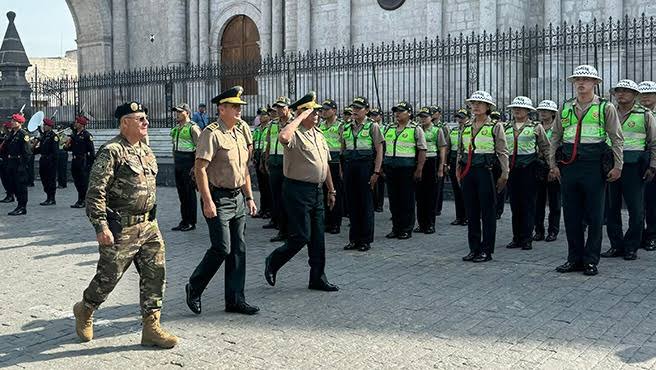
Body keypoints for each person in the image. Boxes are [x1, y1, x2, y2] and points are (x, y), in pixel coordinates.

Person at [73, 101, 178, 348]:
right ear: (125, 123)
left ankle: (151, 327)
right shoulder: (112, 151)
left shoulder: (145, 149)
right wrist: (101, 226)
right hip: (122, 228)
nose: (146, 123)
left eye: (145, 118)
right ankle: (85, 309)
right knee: (108, 278)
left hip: (149, 225)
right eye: (140, 119)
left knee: (155, 275)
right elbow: (95, 192)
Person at [185, 86, 260, 316]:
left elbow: (244, 169)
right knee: (222, 248)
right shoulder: (212, 133)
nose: (239, 110)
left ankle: (236, 299)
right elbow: (200, 169)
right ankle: (194, 287)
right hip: (218, 198)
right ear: (222, 109)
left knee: (239, 249)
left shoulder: (239, 132)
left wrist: (249, 196)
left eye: (239, 107)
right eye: (234, 107)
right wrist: (207, 201)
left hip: (237, 197)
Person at [549, 65, 623, 276]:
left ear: (595, 83)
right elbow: (555, 138)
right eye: (578, 79)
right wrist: (553, 164)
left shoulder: (605, 107)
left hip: (594, 166)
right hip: (569, 166)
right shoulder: (565, 107)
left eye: (586, 79)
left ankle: (591, 260)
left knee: (595, 215)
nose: (581, 83)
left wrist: (618, 166)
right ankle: (574, 259)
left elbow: (617, 138)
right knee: (571, 215)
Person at [264, 91, 339, 292]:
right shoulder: (294, 134)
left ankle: (317, 278)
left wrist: (331, 190)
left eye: (317, 111)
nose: (316, 114)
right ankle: (273, 260)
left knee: (317, 238)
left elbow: (325, 165)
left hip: (317, 191)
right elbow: (283, 136)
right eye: (311, 112)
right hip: (297, 190)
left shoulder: (319, 135)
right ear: (301, 114)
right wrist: (299, 117)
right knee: (301, 236)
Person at [601, 79, 656, 260]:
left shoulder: (645, 115)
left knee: (636, 209)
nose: (621, 94)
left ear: (634, 95)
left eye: (626, 91)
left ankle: (631, 246)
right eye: (618, 91)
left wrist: (652, 166)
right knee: (611, 208)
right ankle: (616, 246)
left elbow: (654, 143)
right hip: (612, 165)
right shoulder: (608, 112)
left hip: (634, 167)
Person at [457, 91, 509, 263]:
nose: (476, 106)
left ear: (488, 106)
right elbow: (460, 150)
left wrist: (504, 173)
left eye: (480, 103)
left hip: (486, 172)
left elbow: (502, 151)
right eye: (473, 103)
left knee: (487, 213)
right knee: (471, 212)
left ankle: (486, 250)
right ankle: (474, 248)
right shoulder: (465, 126)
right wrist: (458, 169)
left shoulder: (495, 126)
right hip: (468, 171)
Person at [504, 96, 550, 251]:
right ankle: (516, 237)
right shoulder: (505, 127)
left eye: (521, 108)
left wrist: (551, 167)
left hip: (529, 169)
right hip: (512, 169)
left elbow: (545, 147)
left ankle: (527, 238)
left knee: (529, 204)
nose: (517, 110)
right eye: (515, 108)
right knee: (515, 205)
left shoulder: (536, 127)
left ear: (528, 111)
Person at [342, 97, 384, 251]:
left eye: (359, 108)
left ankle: (365, 240)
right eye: (354, 108)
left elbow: (379, 151)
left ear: (366, 110)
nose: (355, 111)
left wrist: (376, 171)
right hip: (349, 167)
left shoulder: (373, 127)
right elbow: (342, 150)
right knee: (352, 204)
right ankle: (354, 239)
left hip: (365, 167)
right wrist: (342, 170)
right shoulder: (346, 127)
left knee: (365, 204)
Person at [383, 101, 427, 239]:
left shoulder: (415, 129)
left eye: (401, 111)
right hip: (391, 168)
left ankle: (406, 228)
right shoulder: (389, 128)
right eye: (396, 111)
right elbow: (383, 147)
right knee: (394, 200)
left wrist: (419, 169)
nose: (397, 114)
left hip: (407, 169)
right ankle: (396, 228)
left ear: (409, 113)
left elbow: (422, 150)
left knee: (406, 200)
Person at [263, 96, 292, 242]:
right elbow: (269, 143)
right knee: (277, 198)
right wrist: (267, 159)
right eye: (278, 108)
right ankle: (282, 231)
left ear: (289, 108)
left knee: (288, 199)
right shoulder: (273, 124)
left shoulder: (293, 124)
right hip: (274, 164)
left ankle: (291, 230)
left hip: (288, 165)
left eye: (282, 107)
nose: (279, 110)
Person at [415, 106, 448, 234]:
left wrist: (441, 167)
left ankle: (430, 224)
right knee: (419, 195)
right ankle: (421, 223)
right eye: (421, 117)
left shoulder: (436, 130)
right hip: (418, 162)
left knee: (430, 195)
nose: (423, 119)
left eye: (425, 117)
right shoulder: (416, 129)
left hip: (431, 162)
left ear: (431, 118)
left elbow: (442, 148)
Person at [170, 103, 201, 232]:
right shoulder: (177, 128)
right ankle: (184, 220)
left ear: (187, 113)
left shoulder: (192, 128)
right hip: (178, 163)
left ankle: (191, 222)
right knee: (182, 194)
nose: (177, 114)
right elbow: (174, 146)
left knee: (189, 194)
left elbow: (199, 148)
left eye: (179, 112)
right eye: (176, 112)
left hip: (188, 163)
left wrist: (195, 167)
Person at [534, 100, 561, 242]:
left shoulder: (557, 127)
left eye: (546, 110)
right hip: (538, 166)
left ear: (553, 113)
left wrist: (553, 167)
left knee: (554, 201)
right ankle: (538, 230)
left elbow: (558, 148)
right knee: (538, 201)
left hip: (552, 165)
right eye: (541, 110)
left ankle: (553, 231)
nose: (543, 112)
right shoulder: (535, 127)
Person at [319, 98, 345, 234]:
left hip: (335, 163)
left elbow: (342, 145)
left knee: (336, 193)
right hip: (323, 163)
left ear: (334, 111)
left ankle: (335, 223)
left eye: (327, 109)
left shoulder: (340, 125)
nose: (323, 112)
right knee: (324, 193)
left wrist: (341, 165)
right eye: (322, 109)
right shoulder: (321, 125)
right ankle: (327, 221)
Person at [639, 80, 656, 251]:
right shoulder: (637, 113)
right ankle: (640, 235)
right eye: (642, 94)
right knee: (639, 203)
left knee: (652, 202)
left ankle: (651, 235)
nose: (645, 97)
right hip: (638, 162)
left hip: (654, 162)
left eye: (649, 94)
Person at [65, 115, 95, 208]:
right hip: (75, 160)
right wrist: (66, 145)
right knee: (77, 181)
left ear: (81, 124)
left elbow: (91, 151)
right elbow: (70, 148)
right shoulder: (74, 135)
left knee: (83, 182)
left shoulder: (87, 135)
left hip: (83, 161)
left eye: (77, 122)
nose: (75, 123)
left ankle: (84, 200)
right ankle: (80, 199)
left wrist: (89, 164)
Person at [4, 112, 31, 215]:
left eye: (14, 121)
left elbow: (27, 153)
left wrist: (23, 166)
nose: (12, 122)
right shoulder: (12, 134)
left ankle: (22, 207)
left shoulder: (23, 135)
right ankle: (19, 206)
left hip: (19, 164)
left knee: (21, 187)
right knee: (14, 185)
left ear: (20, 123)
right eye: (12, 120)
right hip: (12, 163)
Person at [448, 108, 469, 226]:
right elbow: (448, 148)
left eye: (462, 117)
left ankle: (466, 216)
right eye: (458, 117)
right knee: (456, 191)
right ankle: (459, 216)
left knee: (465, 191)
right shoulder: (454, 131)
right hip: (454, 161)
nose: (460, 120)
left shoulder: (470, 130)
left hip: (465, 162)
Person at [33, 117, 59, 205]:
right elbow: (41, 149)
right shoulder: (44, 136)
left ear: (50, 126)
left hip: (50, 162)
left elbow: (55, 152)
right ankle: (48, 197)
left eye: (45, 125)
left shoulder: (53, 137)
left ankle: (52, 198)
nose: (43, 126)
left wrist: (50, 160)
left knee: (50, 180)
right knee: (44, 179)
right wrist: (32, 151)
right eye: (44, 125)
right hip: (43, 160)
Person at [253, 106, 272, 219]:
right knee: (261, 186)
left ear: (268, 116)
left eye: (263, 114)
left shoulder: (269, 128)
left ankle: (269, 210)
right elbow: (254, 142)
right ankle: (263, 209)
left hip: (265, 158)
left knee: (267, 186)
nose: (261, 117)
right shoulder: (257, 129)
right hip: (258, 157)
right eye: (260, 115)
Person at [430, 105, 448, 216]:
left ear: (439, 114)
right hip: (430, 156)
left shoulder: (443, 127)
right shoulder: (426, 125)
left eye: (434, 112)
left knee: (439, 184)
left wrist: (444, 162)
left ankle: (437, 208)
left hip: (438, 155)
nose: (432, 114)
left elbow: (445, 145)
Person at [368, 108, 386, 212]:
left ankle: (379, 204)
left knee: (380, 183)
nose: (373, 117)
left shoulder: (385, 128)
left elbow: (384, 146)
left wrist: (382, 162)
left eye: (375, 115)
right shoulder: (370, 126)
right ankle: (374, 203)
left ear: (380, 116)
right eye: (372, 115)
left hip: (380, 155)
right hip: (371, 156)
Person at [0, 121, 15, 203]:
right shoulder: (5, 136)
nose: (3, 129)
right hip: (2, 160)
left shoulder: (10, 137)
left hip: (7, 161)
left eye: (5, 127)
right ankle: (8, 194)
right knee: (3, 179)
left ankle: (10, 195)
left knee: (7, 179)